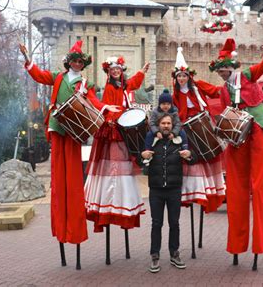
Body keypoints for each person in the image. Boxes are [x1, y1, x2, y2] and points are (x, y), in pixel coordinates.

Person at [20, 41, 119, 267]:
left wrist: (105, 108)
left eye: (81, 61)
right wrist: (28, 59)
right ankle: (61, 224)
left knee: (74, 180)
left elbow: (93, 102)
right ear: (69, 61)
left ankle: (74, 226)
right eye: (75, 60)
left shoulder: (86, 83)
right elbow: (39, 75)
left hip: (74, 131)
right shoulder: (57, 77)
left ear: (83, 64)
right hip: (57, 125)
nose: (78, 63)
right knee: (58, 178)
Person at [211, 38, 263, 267]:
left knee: (258, 186)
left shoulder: (246, 75)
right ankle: (236, 246)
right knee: (236, 189)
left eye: (224, 68)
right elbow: (225, 114)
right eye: (218, 70)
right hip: (237, 137)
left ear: (232, 66)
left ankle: (259, 245)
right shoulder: (223, 92)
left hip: (257, 129)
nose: (221, 72)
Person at [84, 56, 150, 232]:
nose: (116, 72)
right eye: (113, 70)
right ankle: (112, 201)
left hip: (124, 127)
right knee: (116, 166)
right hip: (116, 129)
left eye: (118, 69)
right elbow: (107, 107)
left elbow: (134, 83)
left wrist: (142, 71)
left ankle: (123, 200)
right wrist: (115, 118)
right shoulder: (109, 88)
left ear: (121, 71)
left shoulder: (125, 85)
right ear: (109, 72)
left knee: (124, 167)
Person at [171, 47, 225, 213]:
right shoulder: (175, 94)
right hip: (186, 127)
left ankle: (210, 188)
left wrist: (227, 90)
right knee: (194, 159)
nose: (181, 78)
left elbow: (214, 91)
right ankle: (194, 189)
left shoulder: (198, 86)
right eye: (179, 76)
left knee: (208, 156)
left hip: (202, 123)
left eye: (184, 75)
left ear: (189, 76)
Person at [140, 114, 196, 273]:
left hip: (174, 189)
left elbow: (193, 160)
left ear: (172, 125)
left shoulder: (179, 142)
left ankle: (174, 254)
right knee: (156, 224)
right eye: (163, 123)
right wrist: (142, 156)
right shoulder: (152, 142)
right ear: (159, 125)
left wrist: (189, 155)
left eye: (168, 123)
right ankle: (155, 256)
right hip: (156, 190)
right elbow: (141, 160)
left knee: (174, 223)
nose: (165, 125)